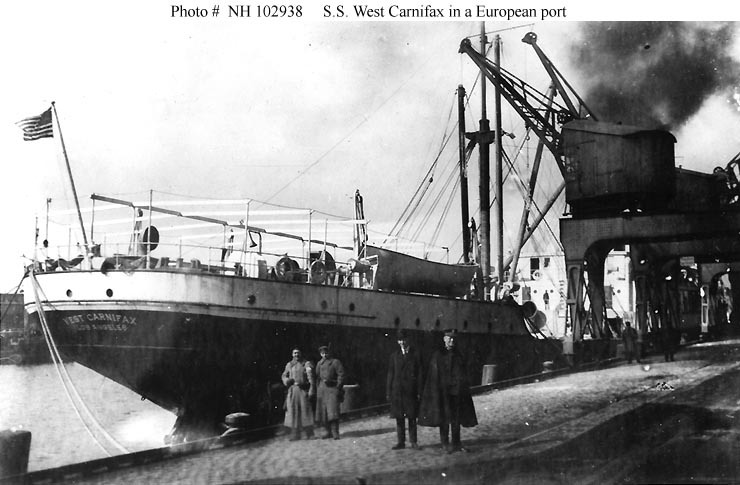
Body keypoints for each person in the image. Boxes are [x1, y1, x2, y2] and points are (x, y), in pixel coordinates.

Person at [418, 329, 477, 453]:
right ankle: (445, 444)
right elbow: (433, 376)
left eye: (454, 338)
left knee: (456, 419)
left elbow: (463, 372)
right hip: (443, 393)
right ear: (444, 339)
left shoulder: (458, 354)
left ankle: (456, 444)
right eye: (449, 338)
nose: (452, 341)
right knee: (444, 419)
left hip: (456, 392)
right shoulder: (438, 355)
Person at [386, 329, 424, 450]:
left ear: (408, 340)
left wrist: (419, 391)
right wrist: (388, 392)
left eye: (404, 340)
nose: (402, 342)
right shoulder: (394, 356)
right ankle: (401, 442)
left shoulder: (416, 354)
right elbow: (390, 374)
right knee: (399, 418)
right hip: (398, 391)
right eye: (400, 340)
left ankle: (413, 441)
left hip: (411, 391)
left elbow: (420, 374)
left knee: (412, 417)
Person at [281, 348, 316, 440]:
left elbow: (311, 378)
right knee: (293, 411)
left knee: (305, 411)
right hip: (293, 390)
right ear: (292, 354)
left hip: (303, 390)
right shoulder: (289, 364)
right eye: (295, 353)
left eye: (298, 353)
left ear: (301, 354)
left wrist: (311, 389)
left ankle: (309, 433)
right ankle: (295, 434)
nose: (296, 355)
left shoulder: (306, 364)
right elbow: (284, 375)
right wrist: (287, 380)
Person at [314, 344, 345, 439]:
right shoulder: (319, 364)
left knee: (333, 411)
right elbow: (317, 377)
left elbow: (341, 375)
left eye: (326, 353)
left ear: (329, 352)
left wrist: (337, 385)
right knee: (323, 412)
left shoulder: (335, 362)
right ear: (320, 354)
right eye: (322, 353)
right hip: (322, 390)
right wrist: (318, 388)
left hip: (332, 389)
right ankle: (327, 432)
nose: (325, 355)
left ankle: (335, 432)